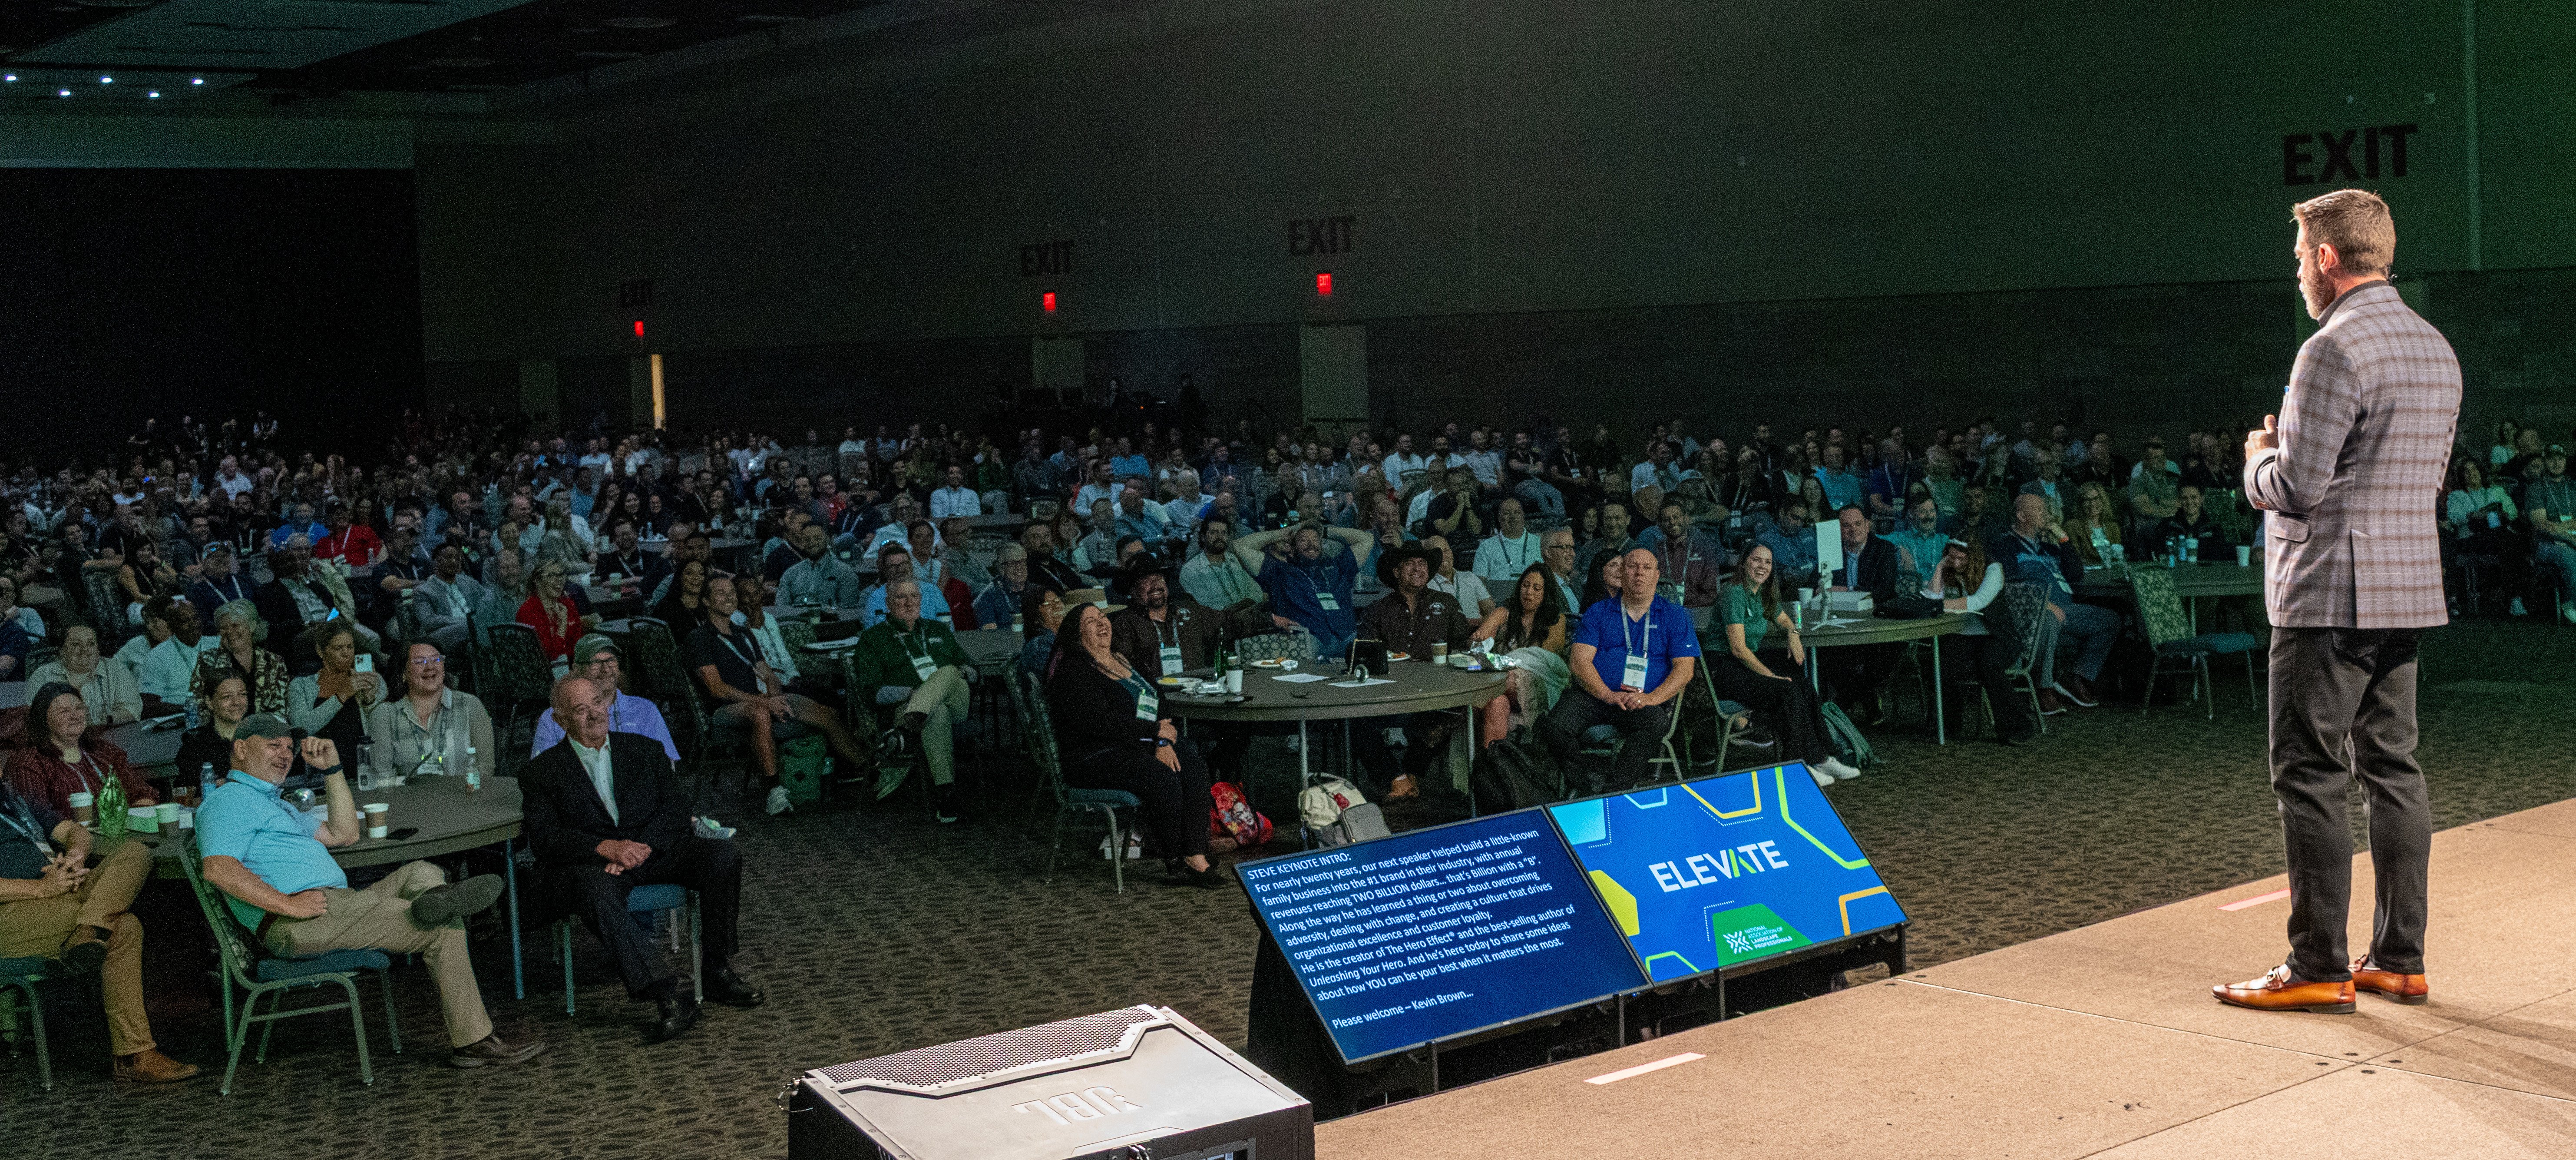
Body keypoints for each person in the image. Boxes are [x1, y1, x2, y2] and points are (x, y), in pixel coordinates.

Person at [2216, 189, 2457, 1015]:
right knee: (2393, 769)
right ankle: (2398, 959)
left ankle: (2317, 965)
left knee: (2310, 774)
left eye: (2297, 259)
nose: (2296, 275)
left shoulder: (2330, 349)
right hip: (2408, 588)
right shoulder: (2434, 347)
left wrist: (2255, 457)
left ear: (2326, 258)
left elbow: (2296, 486)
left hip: (2328, 597)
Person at [196, 716, 543, 1067]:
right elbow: (218, 869)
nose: (285, 755)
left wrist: (332, 769)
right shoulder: (228, 802)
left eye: (288, 747)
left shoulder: (274, 803)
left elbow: (343, 834)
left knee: (420, 871)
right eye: (273, 746)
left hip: (336, 906)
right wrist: (288, 905)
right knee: (442, 930)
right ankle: (474, 1041)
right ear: (240, 749)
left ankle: (435, 900)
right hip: (303, 919)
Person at [521, 676, 764, 1044]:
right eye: (579, 709)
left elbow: (676, 809)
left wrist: (643, 846)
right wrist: (605, 847)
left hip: (654, 852)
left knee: (722, 856)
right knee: (593, 890)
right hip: (598, 865)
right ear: (560, 721)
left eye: (597, 703)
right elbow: (545, 838)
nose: (593, 715)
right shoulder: (542, 772)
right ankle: (666, 994)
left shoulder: (645, 750)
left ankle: (716, 968)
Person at [0, 776, 198, 1083]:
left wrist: (76, 858)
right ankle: (135, 1056)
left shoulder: (11, 796)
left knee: (136, 852)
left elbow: (74, 830)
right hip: (12, 914)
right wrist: (39, 889)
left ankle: (88, 931)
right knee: (126, 927)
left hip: (58, 894)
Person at [1044, 603, 1224, 889]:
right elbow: (1100, 724)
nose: (1102, 623)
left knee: (1191, 762)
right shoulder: (1075, 673)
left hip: (1138, 743)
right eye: (1091, 621)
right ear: (1078, 636)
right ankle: (1178, 856)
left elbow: (1159, 699)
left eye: (1102, 616)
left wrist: (1163, 741)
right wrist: (1155, 734)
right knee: (1162, 777)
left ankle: (1196, 851)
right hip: (1095, 755)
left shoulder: (1126, 659)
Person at [688, 577, 871, 817]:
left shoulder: (744, 634)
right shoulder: (699, 639)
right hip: (726, 709)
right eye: (721, 593)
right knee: (760, 714)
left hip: (761, 698)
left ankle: (869, 771)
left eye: (732, 592)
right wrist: (766, 702)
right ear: (706, 601)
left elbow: (768, 675)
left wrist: (777, 698)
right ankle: (775, 793)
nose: (729, 597)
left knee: (826, 712)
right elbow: (717, 688)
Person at [1538, 548, 1701, 793]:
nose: (1639, 573)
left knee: (1656, 724)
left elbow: (1685, 670)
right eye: (1632, 567)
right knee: (1554, 726)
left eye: (1647, 568)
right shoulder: (1598, 612)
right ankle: (1582, 789)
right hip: (1595, 695)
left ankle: (1614, 792)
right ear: (1621, 574)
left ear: (1657, 577)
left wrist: (1650, 698)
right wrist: (1606, 694)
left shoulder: (1675, 615)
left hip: (1644, 702)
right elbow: (1580, 661)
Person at [1706, 544, 1858, 786]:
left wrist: (1793, 634)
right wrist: (1771, 677)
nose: (1762, 567)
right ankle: (1797, 765)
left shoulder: (1761, 594)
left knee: (1804, 685)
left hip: (1742, 667)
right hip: (1722, 669)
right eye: (1757, 560)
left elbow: (1787, 620)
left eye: (1767, 562)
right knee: (1786, 689)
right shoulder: (1734, 592)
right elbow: (1738, 649)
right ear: (1744, 563)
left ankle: (1821, 757)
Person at [849, 578, 973, 822]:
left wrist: (961, 674)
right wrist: (909, 694)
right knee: (936, 715)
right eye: (901, 598)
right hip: (906, 706)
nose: (909, 603)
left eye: (914, 596)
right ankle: (946, 798)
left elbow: (970, 668)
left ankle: (904, 732)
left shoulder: (937, 629)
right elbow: (872, 692)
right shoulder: (873, 639)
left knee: (948, 672)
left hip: (957, 698)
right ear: (888, 604)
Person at [1989, 493, 2117, 712]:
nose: (2046, 514)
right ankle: (2043, 689)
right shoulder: (2005, 546)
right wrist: (2043, 604)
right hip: (2032, 613)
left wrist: (2064, 539)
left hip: (2067, 609)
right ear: (2021, 516)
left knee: (2110, 620)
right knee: (2047, 619)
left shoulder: (2048, 547)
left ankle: (2078, 678)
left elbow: (2076, 574)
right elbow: (2006, 585)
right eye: (2039, 509)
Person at [1921, 538, 2035, 746]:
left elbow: (1979, 601)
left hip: (1997, 635)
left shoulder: (1993, 570)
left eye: (1961, 559)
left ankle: (2018, 726)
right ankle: (1949, 722)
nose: (1955, 563)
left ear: (1973, 557)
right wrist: (1939, 568)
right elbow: (1930, 597)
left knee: (1989, 664)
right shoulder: (1950, 569)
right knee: (1938, 662)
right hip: (1964, 634)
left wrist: (1939, 605)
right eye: (1951, 558)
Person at [6, 682, 159, 815]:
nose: (75, 716)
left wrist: (139, 816)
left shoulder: (105, 752)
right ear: (44, 720)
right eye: (64, 712)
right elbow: (38, 819)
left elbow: (142, 794)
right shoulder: (30, 764)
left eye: (79, 709)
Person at [1233, 522, 1375, 660]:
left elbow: (1367, 539)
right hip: (1308, 638)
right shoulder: (1279, 571)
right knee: (1307, 648)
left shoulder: (1339, 566)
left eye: (1315, 540)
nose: (1311, 544)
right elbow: (1239, 546)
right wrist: (1283, 533)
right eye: (1303, 540)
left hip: (1346, 634)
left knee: (1367, 651)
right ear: (1292, 548)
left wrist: (1325, 531)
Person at [1471, 564, 1574, 747]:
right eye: (1526, 586)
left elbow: (1545, 657)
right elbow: (1478, 642)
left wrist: (1514, 660)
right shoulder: (1505, 612)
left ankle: (1469, 702)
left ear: (1546, 593)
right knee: (1497, 703)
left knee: (1499, 681)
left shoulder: (1556, 619)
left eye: (1537, 588)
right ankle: (1494, 766)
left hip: (1540, 679)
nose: (1529, 593)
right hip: (1502, 677)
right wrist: (1480, 639)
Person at [529, 635, 678, 762]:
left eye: (611, 661)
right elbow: (542, 772)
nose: (606, 669)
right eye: (595, 663)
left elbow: (667, 764)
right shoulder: (555, 717)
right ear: (576, 669)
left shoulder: (645, 710)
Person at [366, 641, 499, 782]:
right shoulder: (385, 715)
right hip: (408, 801)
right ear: (404, 673)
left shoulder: (470, 705)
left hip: (463, 799)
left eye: (436, 660)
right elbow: (381, 777)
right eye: (419, 662)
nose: (430, 667)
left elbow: (485, 769)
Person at [285, 622, 384, 756]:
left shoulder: (372, 680)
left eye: (350, 647)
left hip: (361, 762)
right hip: (318, 762)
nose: (346, 654)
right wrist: (341, 696)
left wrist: (369, 700)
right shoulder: (301, 685)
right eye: (338, 648)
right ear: (321, 651)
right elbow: (303, 728)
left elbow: (381, 729)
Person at [190, 600, 291, 715]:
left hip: (265, 727)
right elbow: (198, 705)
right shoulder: (208, 660)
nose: (229, 632)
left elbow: (281, 708)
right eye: (223, 628)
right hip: (224, 728)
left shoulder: (274, 662)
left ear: (252, 627)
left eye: (235, 625)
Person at [30, 624, 142, 726]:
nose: (85, 649)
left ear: (98, 649)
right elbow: (35, 716)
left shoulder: (117, 669)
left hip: (109, 734)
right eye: (76, 644)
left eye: (91, 644)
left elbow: (132, 710)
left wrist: (102, 721)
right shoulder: (43, 676)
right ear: (62, 651)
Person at [175, 673, 261, 784]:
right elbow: (191, 794)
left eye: (243, 695)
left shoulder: (260, 737)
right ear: (209, 702)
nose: (236, 702)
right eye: (227, 697)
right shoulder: (196, 745)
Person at [2524, 445, 2576, 625]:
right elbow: (2542, 525)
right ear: (2545, 462)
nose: (2556, 463)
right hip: (2546, 545)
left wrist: (2564, 528)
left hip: (2572, 538)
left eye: (2560, 459)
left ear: (2565, 461)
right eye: (2552, 459)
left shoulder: (2573, 485)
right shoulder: (2536, 489)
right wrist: (2570, 535)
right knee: (2568, 553)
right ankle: (2572, 604)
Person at [517, 560, 592, 674]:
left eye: (561, 575)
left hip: (572, 668)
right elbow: (549, 655)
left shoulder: (569, 604)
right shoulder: (528, 612)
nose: (560, 580)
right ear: (537, 581)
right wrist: (562, 627)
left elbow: (578, 645)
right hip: (543, 674)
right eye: (552, 575)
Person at [410, 544, 486, 655]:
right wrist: (464, 621)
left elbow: (488, 597)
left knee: (474, 648)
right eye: (448, 558)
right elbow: (428, 621)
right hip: (442, 635)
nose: (454, 561)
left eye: (457, 558)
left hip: (472, 631)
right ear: (436, 562)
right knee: (470, 627)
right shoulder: (423, 591)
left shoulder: (468, 582)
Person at [1177, 516, 1262, 613]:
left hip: (1249, 620)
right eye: (1214, 532)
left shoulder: (1233, 559)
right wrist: (1245, 605)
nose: (1220, 537)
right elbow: (1210, 610)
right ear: (1203, 538)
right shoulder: (1191, 570)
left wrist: (1238, 607)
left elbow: (1257, 593)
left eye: (1224, 533)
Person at [857, 544, 951, 628]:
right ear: (885, 571)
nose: (900, 570)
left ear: (911, 565)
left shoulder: (932, 591)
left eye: (904, 564)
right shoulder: (875, 599)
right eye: (893, 566)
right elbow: (872, 635)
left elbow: (947, 626)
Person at [777, 524, 862, 609]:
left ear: (827, 540)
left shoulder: (845, 572)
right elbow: (781, 609)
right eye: (807, 540)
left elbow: (849, 611)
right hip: (797, 621)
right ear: (802, 544)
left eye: (817, 538)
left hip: (832, 622)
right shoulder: (791, 573)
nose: (812, 543)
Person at [2154, 484, 2236, 563]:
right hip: (2177, 572)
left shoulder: (2213, 527)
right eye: (2185, 498)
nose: (2190, 502)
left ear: (2202, 499)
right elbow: (2159, 553)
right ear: (2179, 501)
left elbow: (2221, 555)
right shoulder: (2168, 525)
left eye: (2194, 498)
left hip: (2205, 573)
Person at [1420, 535, 1494, 618]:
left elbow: (1491, 610)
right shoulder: (1427, 585)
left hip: (1481, 629)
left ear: (1451, 552)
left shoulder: (1470, 577)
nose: (1444, 557)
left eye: (1446, 551)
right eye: (1438, 553)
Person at [2062, 482, 2123, 567]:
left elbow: (2117, 555)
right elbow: (2076, 557)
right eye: (2087, 500)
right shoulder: (2072, 527)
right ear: (2081, 504)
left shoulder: (2113, 527)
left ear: (2103, 500)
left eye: (2096, 498)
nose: (2092, 504)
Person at [651, 557, 714, 631]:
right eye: (689, 573)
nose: (696, 578)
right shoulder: (666, 608)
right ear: (680, 577)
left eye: (701, 574)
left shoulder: (709, 605)